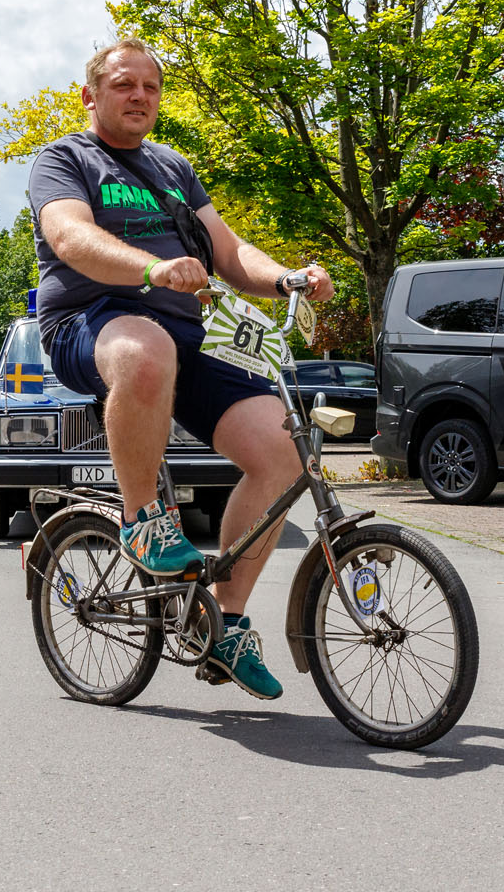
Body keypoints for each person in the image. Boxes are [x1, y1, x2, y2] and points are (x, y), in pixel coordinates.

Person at [29, 37, 333, 700]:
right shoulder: (64, 159)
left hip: (184, 335)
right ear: (91, 94)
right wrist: (150, 269)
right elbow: (69, 237)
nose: (139, 96)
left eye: (150, 87)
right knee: (145, 353)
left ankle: (225, 623)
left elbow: (228, 251)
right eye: (122, 84)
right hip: (94, 321)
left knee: (282, 451)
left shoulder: (172, 167)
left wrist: (286, 278)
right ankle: (145, 522)